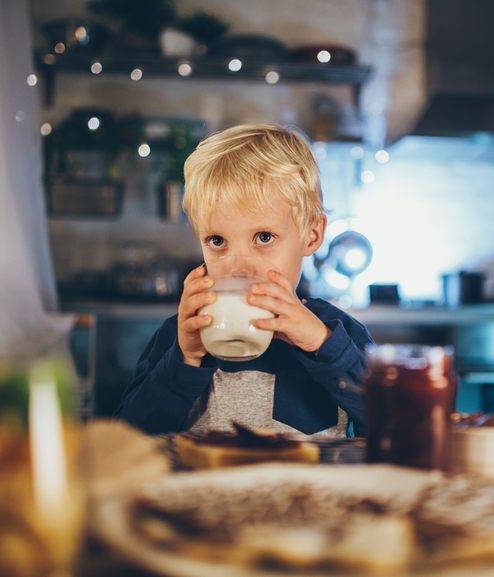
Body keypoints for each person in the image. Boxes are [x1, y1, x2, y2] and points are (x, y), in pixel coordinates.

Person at [115, 124, 372, 437]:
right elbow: (129, 440)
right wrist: (184, 360)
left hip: (307, 487)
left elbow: (398, 428)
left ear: (312, 234)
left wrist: (323, 345)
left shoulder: (337, 333)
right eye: (217, 241)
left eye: (264, 237)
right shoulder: (180, 337)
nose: (238, 268)